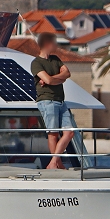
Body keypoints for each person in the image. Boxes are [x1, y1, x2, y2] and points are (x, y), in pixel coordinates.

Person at [31, 33, 74, 170]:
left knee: (69, 132)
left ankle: (53, 162)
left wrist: (52, 79)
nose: (55, 45)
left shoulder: (55, 59)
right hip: (47, 101)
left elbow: (67, 73)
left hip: (60, 101)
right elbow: (49, 80)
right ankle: (57, 164)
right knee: (53, 134)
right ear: (46, 44)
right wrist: (58, 79)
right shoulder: (36, 63)